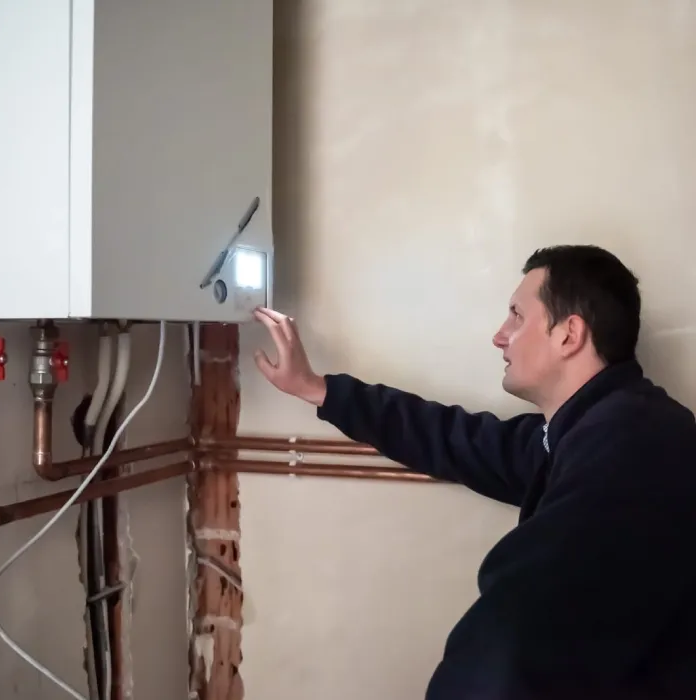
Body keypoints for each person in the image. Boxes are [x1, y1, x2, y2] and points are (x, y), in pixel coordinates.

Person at [252, 244, 696, 700]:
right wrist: (317, 389)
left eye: (517, 316)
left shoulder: (630, 449)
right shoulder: (598, 428)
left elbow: (515, 633)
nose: (500, 336)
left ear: (569, 334)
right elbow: (458, 439)